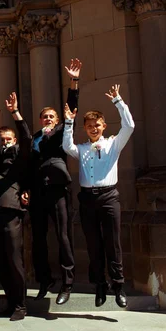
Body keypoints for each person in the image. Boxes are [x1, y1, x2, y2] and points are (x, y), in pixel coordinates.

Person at [63, 84, 134, 308]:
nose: (93, 128)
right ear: (84, 128)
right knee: (93, 245)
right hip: (87, 199)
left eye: (97, 125)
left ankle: (118, 285)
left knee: (113, 243)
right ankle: (100, 285)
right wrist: (68, 122)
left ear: (104, 126)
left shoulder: (113, 144)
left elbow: (129, 126)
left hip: (109, 197)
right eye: (89, 126)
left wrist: (118, 102)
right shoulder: (82, 148)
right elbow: (66, 146)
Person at [29, 58, 81, 305]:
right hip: (38, 191)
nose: (48, 119)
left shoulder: (62, 132)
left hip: (58, 190)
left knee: (63, 235)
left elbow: (71, 108)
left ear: (57, 120)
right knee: (38, 238)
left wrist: (74, 82)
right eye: (44, 117)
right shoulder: (35, 137)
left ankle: (67, 282)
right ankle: (44, 280)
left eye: (51, 116)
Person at [0, 93, 32, 321]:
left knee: (14, 260)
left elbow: (27, 139)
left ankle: (21, 305)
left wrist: (15, 113)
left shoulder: (18, 158)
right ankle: (10, 302)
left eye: (7, 140)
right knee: (0, 261)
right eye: (1, 140)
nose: (4, 143)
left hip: (11, 212)